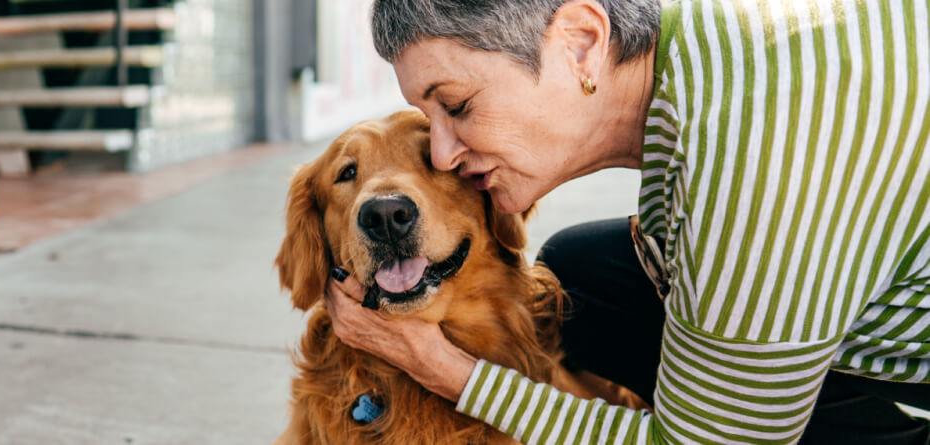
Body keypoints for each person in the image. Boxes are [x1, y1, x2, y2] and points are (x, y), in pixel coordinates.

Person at [323, 0, 930, 443]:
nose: (442, 154)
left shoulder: (767, 165)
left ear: (581, 43)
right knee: (584, 272)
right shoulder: (710, 53)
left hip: (908, 365)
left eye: (456, 106)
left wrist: (446, 370)